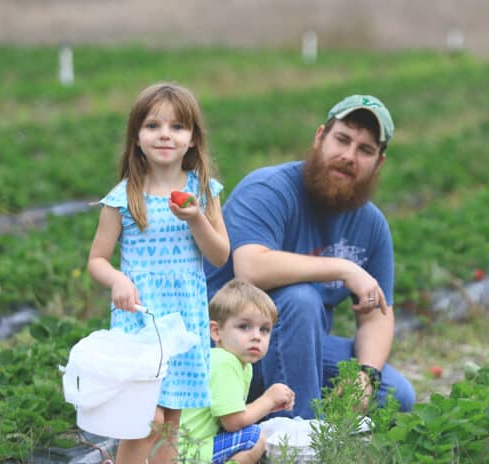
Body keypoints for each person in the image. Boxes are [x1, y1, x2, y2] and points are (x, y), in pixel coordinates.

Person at [205, 95, 416, 419]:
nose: (349, 156)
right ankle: (297, 436)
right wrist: (343, 268)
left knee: (394, 394)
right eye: (342, 139)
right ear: (320, 138)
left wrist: (367, 375)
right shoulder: (270, 190)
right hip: (226, 351)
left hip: (293, 348)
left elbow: (377, 314)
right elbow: (249, 267)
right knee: (301, 300)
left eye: (365, 150)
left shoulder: (371, 225)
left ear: (379, 162)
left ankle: (273, 414)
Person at [87, 82, 230, 464]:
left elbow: (219, 255)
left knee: (170, 421)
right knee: (143, 417)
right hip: (141, 321)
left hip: (184, 322)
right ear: (136, 137)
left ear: (192, 140)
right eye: (153, 126)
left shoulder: (202, 192)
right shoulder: (123, 197)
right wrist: (118, 279)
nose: (165, 134)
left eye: (177, 126)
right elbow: (97, 259)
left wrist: (197, 217)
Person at [180, 278, 295, 464]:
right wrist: (267, 400)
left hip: (191, 445)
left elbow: (229, 416)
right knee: (255, 438)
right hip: (188, 450)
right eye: (244, 326)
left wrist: (269, 405)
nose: (256, 336)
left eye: (264, 329)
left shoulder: (242, 365)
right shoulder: (224, 362)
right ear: (216, 332)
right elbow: (233, 422)